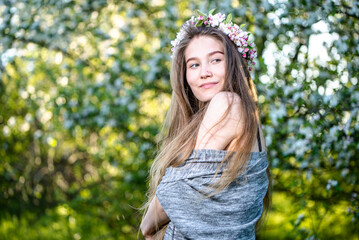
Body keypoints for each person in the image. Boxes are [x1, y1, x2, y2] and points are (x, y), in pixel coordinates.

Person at [140, 9, 271, 240]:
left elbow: (176, 191)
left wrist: (148, 222)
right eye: (194, 65)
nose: (204, 73)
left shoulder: (228, 103)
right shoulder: (243, 114)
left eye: (215, 59)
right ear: (184, 75)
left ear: (233, 64)